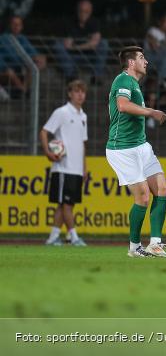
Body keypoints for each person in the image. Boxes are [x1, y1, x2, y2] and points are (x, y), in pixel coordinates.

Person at [105, 46, 166, 258]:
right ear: (131, 63)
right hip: (122, 148)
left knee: (162, 189)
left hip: (141, 146)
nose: (146, 61)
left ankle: (155, 244)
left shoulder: (134, 84)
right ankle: (134, 247)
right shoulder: (123, 80)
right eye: (142, 58)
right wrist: (151, 111)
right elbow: (122, 105)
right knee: (143, 196)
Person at [41, 79, 89, 247]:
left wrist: (84, 167)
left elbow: (82, 143)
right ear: (70, 94)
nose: (80, 95)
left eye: (82, 91)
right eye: (76, 91)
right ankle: (74, 237)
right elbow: (44, 132)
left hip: (76, 169)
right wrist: (48, 152)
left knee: (66, 204)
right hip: (63, 168)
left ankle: (53, 237)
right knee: (67, 204)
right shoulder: (61, 112)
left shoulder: (83, 116)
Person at [53, 0, 110, 82]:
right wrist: (88, 44)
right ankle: (71, 75)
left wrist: (75, 47)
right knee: (57, 45)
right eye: (81, 11)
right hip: (72, 57)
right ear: (77, 11)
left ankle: (96, 75)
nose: (83, 14)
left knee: (104, 43)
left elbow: (94, 43)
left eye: (86, 11)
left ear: (90, 11)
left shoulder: (94, 22)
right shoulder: (69, 22)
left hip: (90, 57)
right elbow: (66, 44)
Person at [0, 15, 47, 97]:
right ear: (10, 25)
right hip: (5, 69)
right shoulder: (2, 39)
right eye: (14, 24)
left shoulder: (22, 38)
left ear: (22, 27)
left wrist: (39, 58)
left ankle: (25, 91)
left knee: (34, 65)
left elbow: (33, 53)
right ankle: (24, 91)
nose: (16, 27)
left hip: (20, 67)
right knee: (10, 72)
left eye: (19, 25)